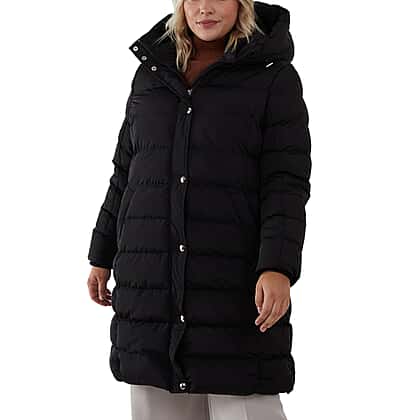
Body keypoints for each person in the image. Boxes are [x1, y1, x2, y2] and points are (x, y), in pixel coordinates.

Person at [86, 1, 312, 419]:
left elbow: (285, 183)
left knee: (246, 401)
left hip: (232, 285)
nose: (204, 8)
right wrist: (101, 254)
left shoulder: (273, 78)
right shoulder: (151, 74)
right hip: (151, 286)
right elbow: (126, 172)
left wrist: (277, 266)